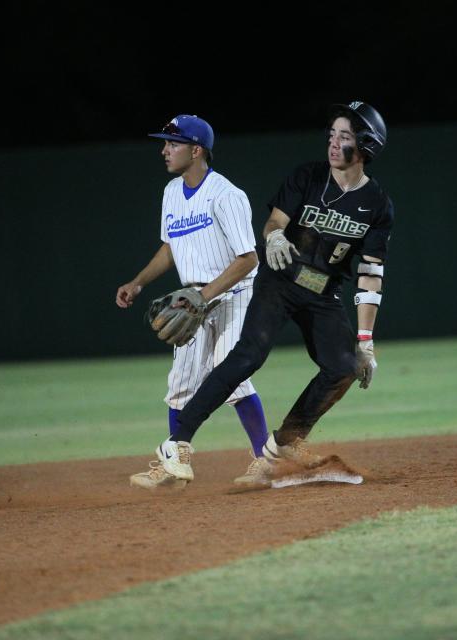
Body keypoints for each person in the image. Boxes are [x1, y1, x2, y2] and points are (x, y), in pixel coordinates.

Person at [140, 100, 394, 486]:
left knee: (343, 367)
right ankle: (178, 443)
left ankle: (282, 447)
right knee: (247, 357)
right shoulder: (307, 176)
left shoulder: (377, 205)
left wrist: (365, 341)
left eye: (344, 136)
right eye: (332, 134)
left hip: (323, 294)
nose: (333, 142)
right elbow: (275, 220)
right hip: (280, 280)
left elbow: (371, 274)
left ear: (366, 146)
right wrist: (274, 234)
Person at [116, 114, 269, 489]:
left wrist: (204, 295)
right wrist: (138, 282)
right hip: (192, 300)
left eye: (173, 143)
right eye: (165, 143)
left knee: (229, 375)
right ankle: (174, 466)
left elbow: (249, 258)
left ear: (196, 149)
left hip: (234, 294)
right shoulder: (171, 192)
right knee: (181, 385)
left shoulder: (227, 195)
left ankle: (266, 461)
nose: (164, 150)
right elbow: (171, 248)